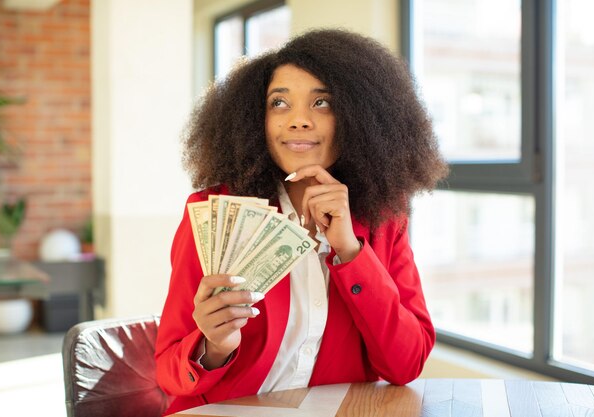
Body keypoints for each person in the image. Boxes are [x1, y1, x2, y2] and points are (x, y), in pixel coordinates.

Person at [155, 28, 449, 415]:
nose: (298, 121)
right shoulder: (214, 211)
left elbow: (405, 364)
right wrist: (213, 347)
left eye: (322, 103)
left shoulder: (384, 218)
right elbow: (168, 371)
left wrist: (351, 252)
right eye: (279, 103)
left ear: (360, 117)